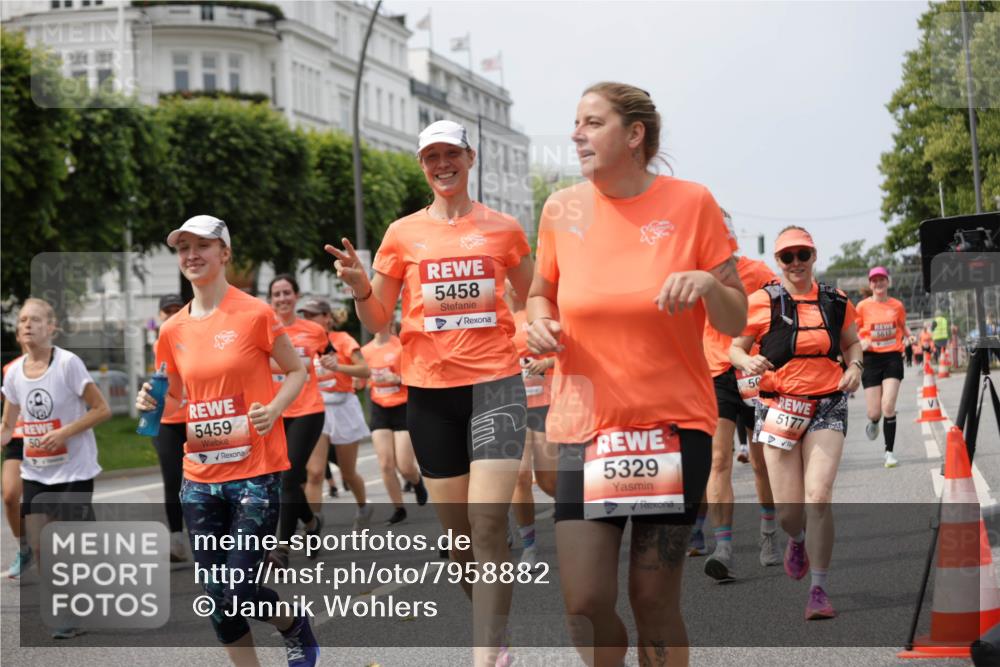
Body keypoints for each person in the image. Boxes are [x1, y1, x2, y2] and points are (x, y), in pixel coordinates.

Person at [527, 82, 746, 667]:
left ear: (633, 134)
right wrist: (539, 323)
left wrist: (706, 284)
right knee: (584, 599)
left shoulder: (690, 202)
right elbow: (539, 293)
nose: (576, 134)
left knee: (652, 599)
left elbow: (737, 308)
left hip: (670, 427)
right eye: (575, 123)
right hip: (582, 428)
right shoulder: (561, 209)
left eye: (592, 122)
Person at [326, 118, 534, 667]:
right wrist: (360, 286)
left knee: (489, 523)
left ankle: (485, 653)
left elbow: (533, 298)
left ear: (470, 158)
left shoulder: (505, 229)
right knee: (461, 540)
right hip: (430, 394)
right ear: (423, 166)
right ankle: (496, 630)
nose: (441, 164)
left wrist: (535, 331)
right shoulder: (402, 234)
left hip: (495, 386)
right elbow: (378, 323)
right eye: (431, 157)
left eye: (451, 154)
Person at [135, 215, 318, 666]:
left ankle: (292, 624)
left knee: (236, 587)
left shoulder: (254, 313)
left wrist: (275, 408)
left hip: (254, 472)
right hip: (199, 475)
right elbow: (175, 391)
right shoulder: (173, 329)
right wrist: (150, 398)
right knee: (217, 597)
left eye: (203, 246)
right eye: (184, 248)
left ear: (225, 254)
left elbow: (296, 370)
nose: (192, 255)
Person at [730, 226, 862, 621]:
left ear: (813, 255)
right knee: (790, 511)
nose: (796, 263)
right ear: (778, 262)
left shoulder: (836, 300)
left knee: (818, 496)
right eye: (787, 257)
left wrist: (855, 364)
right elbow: (734, 349)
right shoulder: (760, 301)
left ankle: (818, 588)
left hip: (827, 404)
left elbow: (851, 342)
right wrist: (747, 361)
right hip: (778, 407)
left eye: (802, 254)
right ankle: (796, 539)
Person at [1, 298, 112, 638]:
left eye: (35, 320)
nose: (27, 325)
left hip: (74, 471)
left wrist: (63, 431)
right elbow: (8, 425)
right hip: (36, 472)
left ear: (52, 327)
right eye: (22, 320)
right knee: (40, 545)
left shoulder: (68, 364)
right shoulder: (15, 372)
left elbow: (101, 409)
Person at [697, 210, 782, 582]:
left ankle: (768, 534)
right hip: (716, 373)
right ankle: (724, 547)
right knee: (718, 461)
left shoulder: (759, 272)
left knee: (761, 463)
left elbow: (785, 314)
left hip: (753, 372)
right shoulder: (699, 278)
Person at [266, 275, 329, 568]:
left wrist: (331, 363)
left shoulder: (314, 330)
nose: (282, 298)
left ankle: (282, 547)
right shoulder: (263, 330)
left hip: (308, 410)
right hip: (276, 412)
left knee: (289, 476)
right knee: (283, 479)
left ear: (296, 295)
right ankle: (311, 521)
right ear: (271, 299)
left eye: (286, 292)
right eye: (276, 294)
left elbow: (329, 355)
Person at [506, 282, 557, 570]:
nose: (515, 285)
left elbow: (567, 352)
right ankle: (530, 547)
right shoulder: (499, 319)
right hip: (513, 407)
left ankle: (576, 518)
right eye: (510, 281)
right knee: (520, 476)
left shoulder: (542, 315)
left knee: (550, 481)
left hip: (545, 403)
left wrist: (546, 362)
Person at [361, 322, 428, 525]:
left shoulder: (400, 346)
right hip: (379, 407)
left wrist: (397, 378)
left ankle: (416, 481)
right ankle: (399, 508)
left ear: (389, 320)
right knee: (385, 463)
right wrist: (361, 381)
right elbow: (362, 378)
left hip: (401, 406)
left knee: (405, 465)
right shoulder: (365, 351)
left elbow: (417, 374)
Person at [311, 305, 371, 529]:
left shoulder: (343, 339)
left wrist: (339, 367)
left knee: (348, 472)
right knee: (315, 472)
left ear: (326, 318)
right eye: (305, 316)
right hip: (317, 408)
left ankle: (363, 506)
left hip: (343, 405)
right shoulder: (304, 341)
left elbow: (365, 371)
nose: (308, 319)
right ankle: (313, 525)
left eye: (312, 315)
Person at [855, 267, 911, 469]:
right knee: (874, 412)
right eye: (875, 281)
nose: (879, 284)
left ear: (888, 282)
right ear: (870, 285)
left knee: (888, 405)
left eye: (882, 280)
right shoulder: (861, 307)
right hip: (870, 359)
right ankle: (875, 421)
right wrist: (861, 342)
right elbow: (854, 331)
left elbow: (903, 325)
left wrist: (909, 335)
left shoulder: (897, 305)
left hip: (892, 357)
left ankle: (889, 452)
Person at [150, 293, 190, 562]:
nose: (173, 314)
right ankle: (176, 538)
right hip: (167, 420)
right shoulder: (159, 344)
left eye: (178, 309)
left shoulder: (198, 336)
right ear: (160, 316)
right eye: (168, 311)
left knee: (211, 477)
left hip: (197, 418)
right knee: (172, 479)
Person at [2, 338, 29, 578]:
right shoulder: (9, 369)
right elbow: (7, 410)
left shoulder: (61, 364)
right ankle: (25, 549)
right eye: (24, 323)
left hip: (48, 438)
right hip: (18, 439)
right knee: (10, 496)